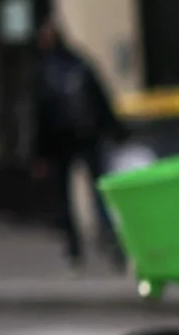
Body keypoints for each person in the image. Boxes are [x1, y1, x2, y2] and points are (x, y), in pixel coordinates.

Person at [30, 18, 124, 268]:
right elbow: (101, 100)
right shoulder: (79, 63)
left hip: (61, 144)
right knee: (99, 192)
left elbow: (40, 116)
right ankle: (111, 240)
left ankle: (73, 250)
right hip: (89, 138)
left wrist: (39, 154)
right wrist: (115, 130)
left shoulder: (44, 71)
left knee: (65, 198)